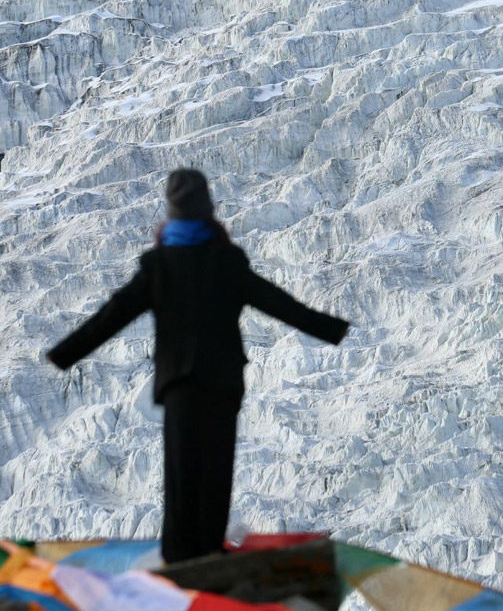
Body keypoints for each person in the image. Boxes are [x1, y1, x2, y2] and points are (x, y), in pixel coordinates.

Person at [47, 168, 349, 563]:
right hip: (222, 382)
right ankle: (208, 551)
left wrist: (64, 354)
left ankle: (178, 553)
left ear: (171, 213)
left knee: (181, 469)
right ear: (208, 209)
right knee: (216, 469)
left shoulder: (160, 264)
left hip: (180, 384)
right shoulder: (226, 259)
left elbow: (113, 315)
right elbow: (277, 303)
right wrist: (333, 329)